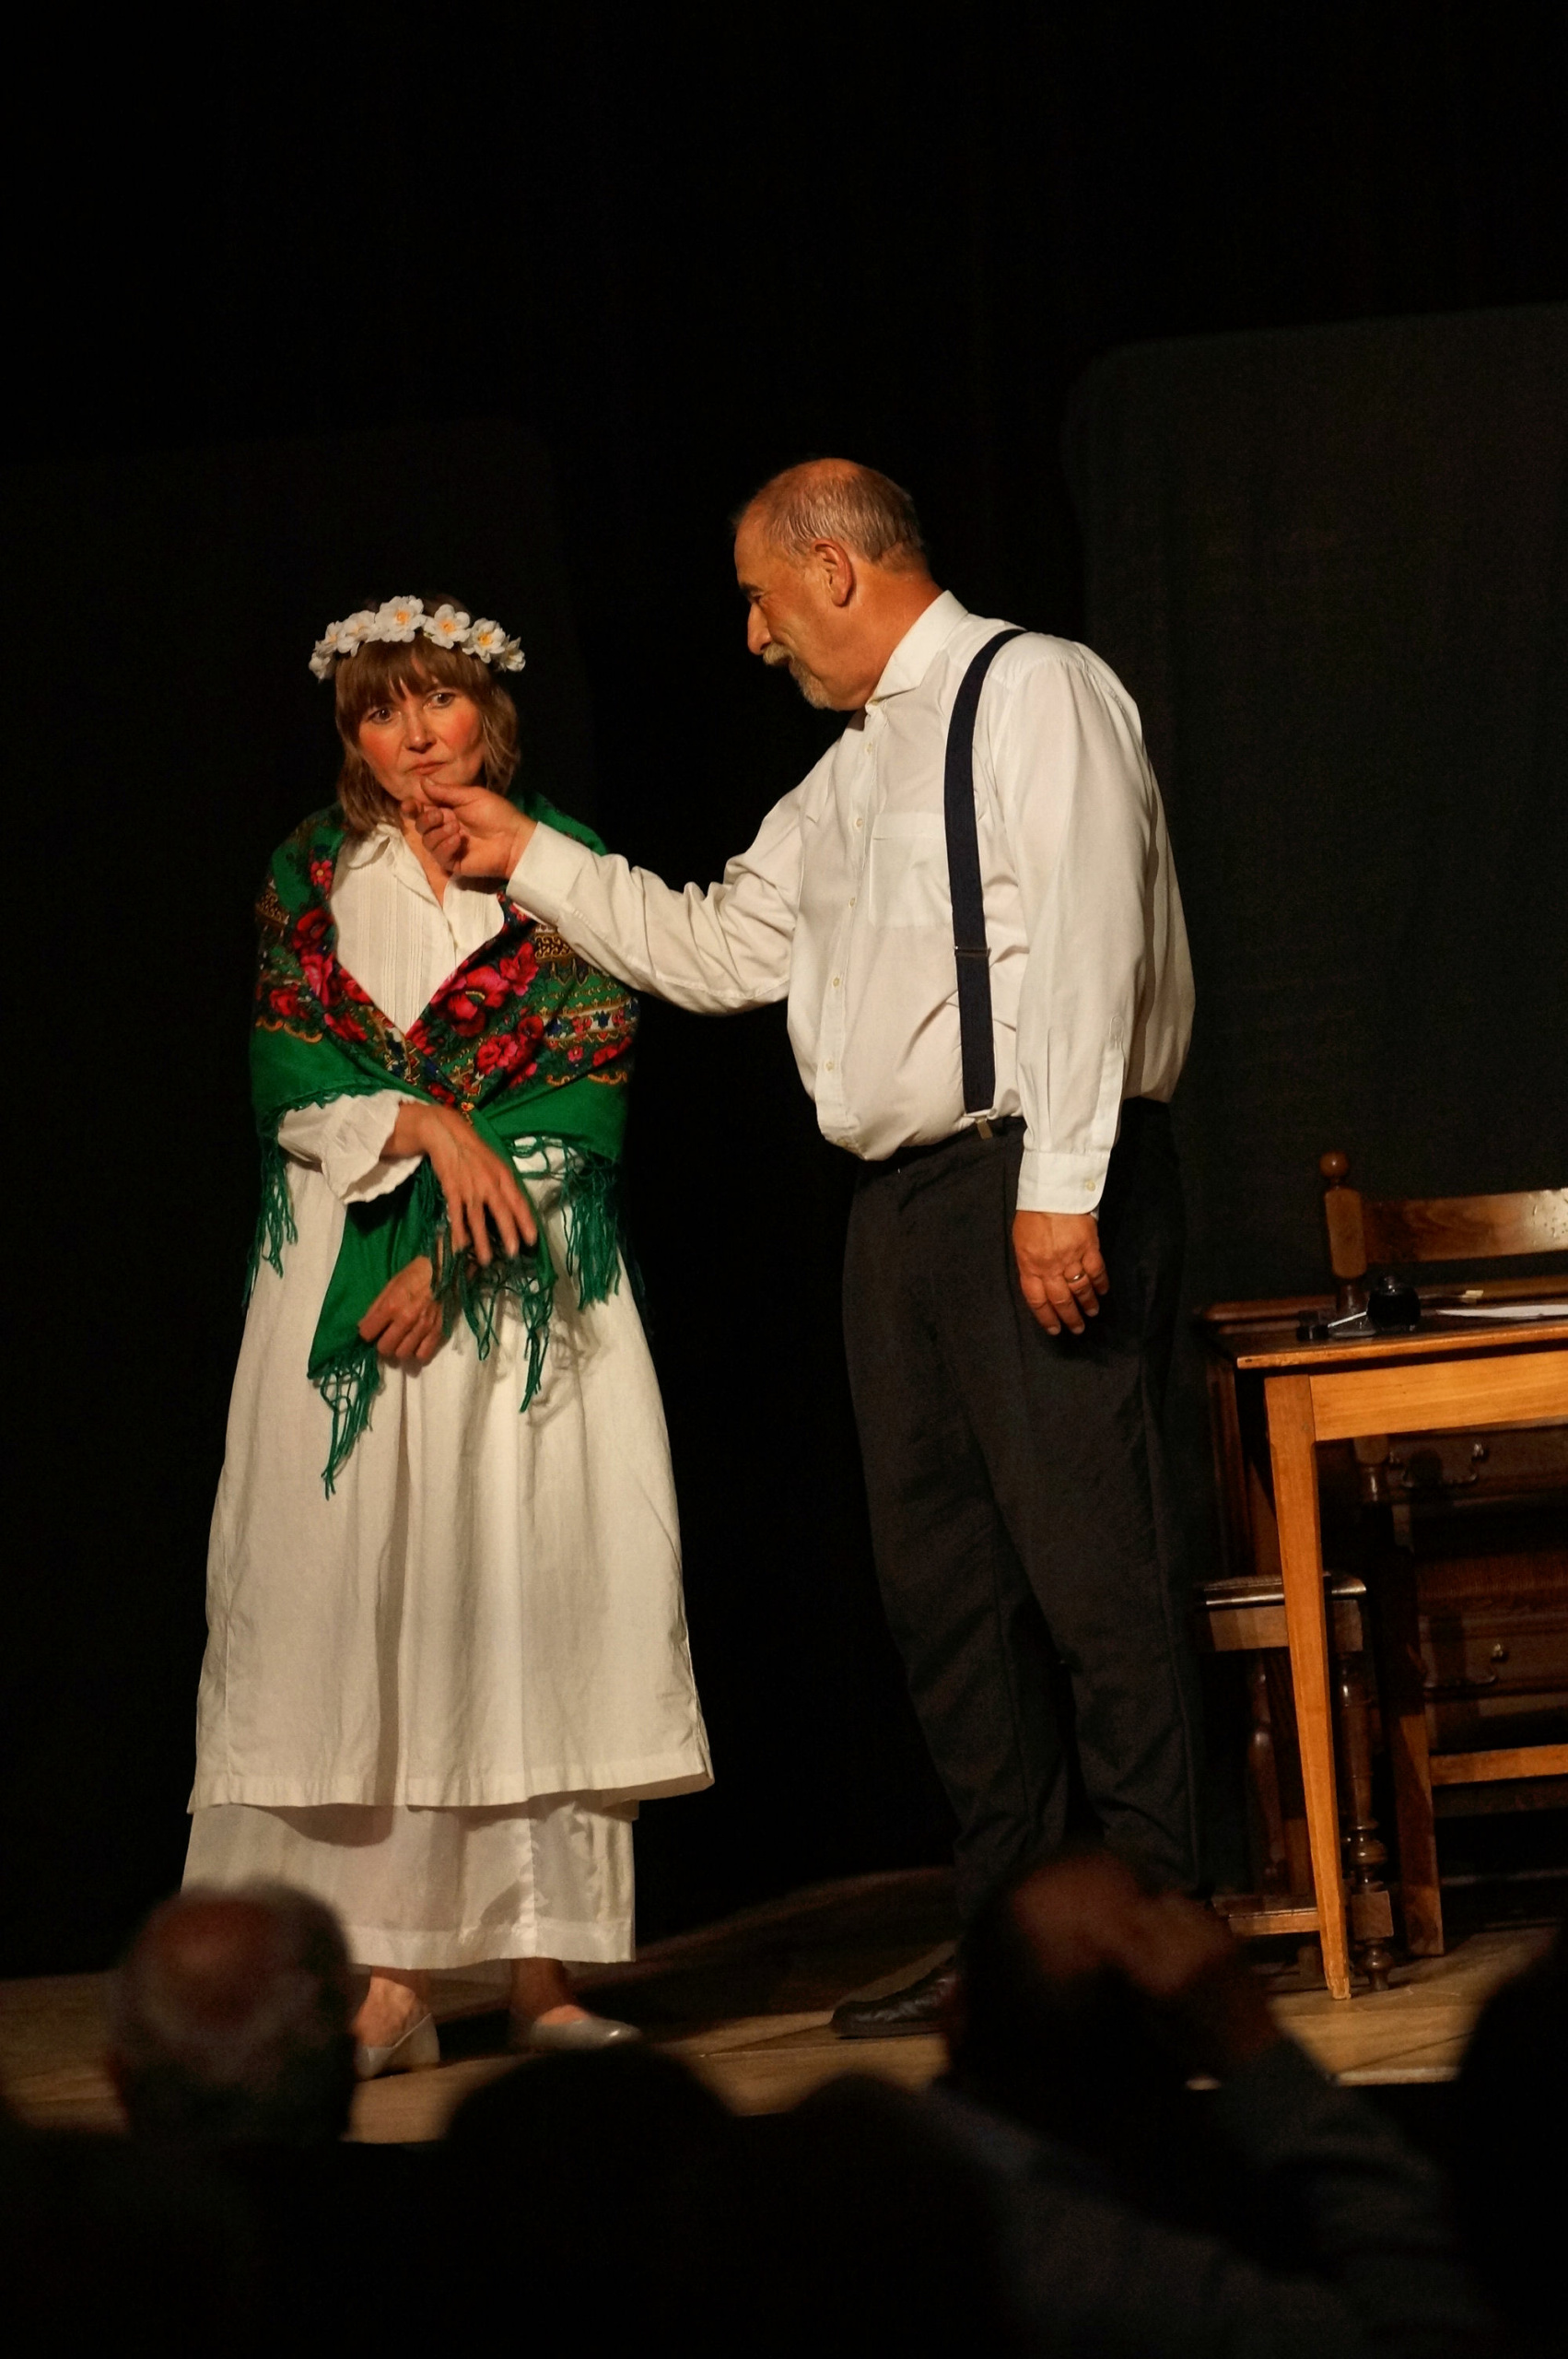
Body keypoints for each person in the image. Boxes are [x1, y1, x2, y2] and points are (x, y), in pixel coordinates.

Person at [415, 461, 1202, 2034]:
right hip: (897, 1213)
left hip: (1031, 1172)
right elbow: (718, 946)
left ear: (834, 570)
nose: (755, 638)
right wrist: (533, 858)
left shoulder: (1032, 689)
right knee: (944, 1593)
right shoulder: (844, 779)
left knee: (1091, 1571)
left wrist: (1060, 1186)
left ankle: (1158, 1934)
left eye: (761, 601)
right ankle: (1011, 1940)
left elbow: (1090, 938)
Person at [185, 595, 710, 2071]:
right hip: (343, 1283)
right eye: (378, 709)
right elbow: (290, 1077)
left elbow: (581, 1092)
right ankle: (381, 1980)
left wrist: (454, 1257)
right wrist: (421, 1127)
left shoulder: (554, 865)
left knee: (523, 1601)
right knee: (366, 1610)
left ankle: (542, 1978)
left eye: (436, 701)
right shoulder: (311, 874)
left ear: (489, 709)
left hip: (517, 1287)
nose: (412, 736)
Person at [937, 1851, 1500, 2357]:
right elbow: (1433, 2326)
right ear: (1186, 2037)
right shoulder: (1110, 2279)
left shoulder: (912, 2159)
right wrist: (1255, 2049)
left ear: (953, 2014)